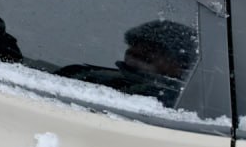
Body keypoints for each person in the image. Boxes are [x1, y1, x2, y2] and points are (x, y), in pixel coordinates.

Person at [57, 19, 197, 107]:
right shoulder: (77, 73)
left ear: (182, 66)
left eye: (152, 49)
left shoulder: (174, 105)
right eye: (134, 44)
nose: (134, 52)